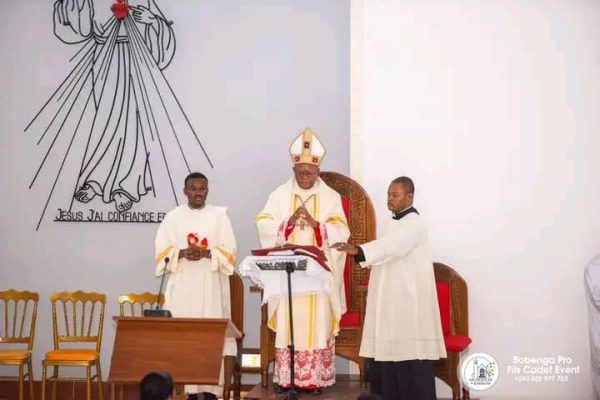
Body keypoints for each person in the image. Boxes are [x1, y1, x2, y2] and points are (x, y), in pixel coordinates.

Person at [332, 176, 446, 400]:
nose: (389, 199)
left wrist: (358, 250)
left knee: (409, 356)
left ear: (409, 197)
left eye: (395, 195)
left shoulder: (414, 223)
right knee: (388, 356)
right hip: (392, 299)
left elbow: (392, 247)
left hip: (408, 301)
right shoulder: (391, 222)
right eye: (388, 194)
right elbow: (386, 251)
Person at [255, 128, 351, 393]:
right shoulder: (279, 195)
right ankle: (288, 379)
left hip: (317, 276)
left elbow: (342, 232)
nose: (305, 177)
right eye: (300, 172)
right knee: (289, 323)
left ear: (318, 171)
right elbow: (263, 222)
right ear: (293, 170)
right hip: (290, 274)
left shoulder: (331, 198)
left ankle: (314, 379)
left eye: (309, 172)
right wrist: (286, 224)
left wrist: (316, 225)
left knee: (317, 323)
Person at [155, 172, 237, 400]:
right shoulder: (173, 217)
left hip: (210, 287)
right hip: (183, 288)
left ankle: (210, 392)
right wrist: (181, 252)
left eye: (202, 188)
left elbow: (230, 253)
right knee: (183, 341)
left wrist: (207, 252)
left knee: (209, 340)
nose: (198, 193)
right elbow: (161, 251)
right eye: (193, 188)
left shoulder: (220, 217)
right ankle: (186, 391)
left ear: (207, 191)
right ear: (185, 191)